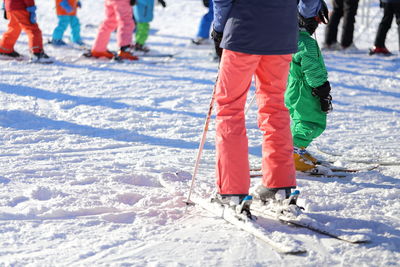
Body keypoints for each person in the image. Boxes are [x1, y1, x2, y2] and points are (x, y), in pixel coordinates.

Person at [210, 0, 329, 212]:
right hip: (282, 35)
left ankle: (232, 190)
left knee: (230, 109)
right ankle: (280, 184)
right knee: (275, 107)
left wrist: (219, 29)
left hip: (242, 32)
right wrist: (302, 15)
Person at [285, 13, 333, 173]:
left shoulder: (289, 38)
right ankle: (292, 153)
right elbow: (312, 68)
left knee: (300, 120)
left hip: (292, 87)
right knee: (311, 122)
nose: (318, 25)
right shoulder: (306, 43)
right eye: (318, 20)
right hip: (304, 89)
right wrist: (321, 87)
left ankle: (296, 150)